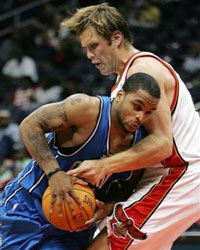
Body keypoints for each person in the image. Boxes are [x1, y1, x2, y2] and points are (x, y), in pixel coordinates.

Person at [62, 3, 200, 250]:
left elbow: (161, 145)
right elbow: (143, 156)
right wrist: (115, 201)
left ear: (116, 37)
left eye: (94, 46)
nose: (89, 55)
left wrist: (102, 165)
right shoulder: (125, 81)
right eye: (85, 49)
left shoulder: (144, 69)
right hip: (164, 177)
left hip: (182, 173)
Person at [0, 73, 160, 249]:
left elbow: (127, 185)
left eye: (148, 113)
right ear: (120, 96)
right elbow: (29, 125)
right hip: (29, 204)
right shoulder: (87, 109)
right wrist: (54, 173)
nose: (141, 117)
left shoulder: (141, 145)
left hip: (74, 223)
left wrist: (108, 206)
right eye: (137, 106)